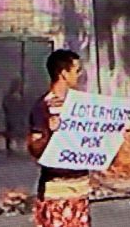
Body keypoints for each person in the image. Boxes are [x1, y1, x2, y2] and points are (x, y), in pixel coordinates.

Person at [26, 49, 91, 227]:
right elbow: (34, 147)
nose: (79, 75)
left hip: (80, 188)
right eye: (76, 70)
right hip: (56, 189)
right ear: (63, 73)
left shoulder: (81, 106)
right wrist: (49, 132)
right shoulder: (43, 107)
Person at [2, 78, 25, 155]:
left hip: (14, 115)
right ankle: (10, 147)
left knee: (14, 131)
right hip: (11, 116)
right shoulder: (11, 95)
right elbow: (5, 104)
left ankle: (15, 146)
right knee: (10, 131)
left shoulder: (16, 95)